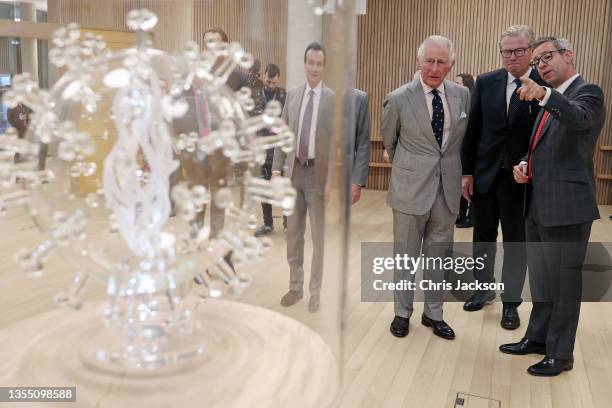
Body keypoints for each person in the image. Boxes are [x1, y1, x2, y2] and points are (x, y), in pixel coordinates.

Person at [500, 36, 605, 376]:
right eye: (538, 61)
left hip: (568, 208)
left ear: (568, 55)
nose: (541, 64)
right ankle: (538, 338)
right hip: (540, 205)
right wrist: (524, 165)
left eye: (547, 57)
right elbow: (544, 148)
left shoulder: (588, 93)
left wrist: (544, 94)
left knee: (564, 284)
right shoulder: (550, 101)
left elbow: (578, 120)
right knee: (543, 281)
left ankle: (561, 355)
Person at [381, 35, 470, 340]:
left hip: (446, 191)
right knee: (405, 256)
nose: (434, 67)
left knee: (438, 257)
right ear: (419, 62)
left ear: (451, 64)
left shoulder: (462, 96)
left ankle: (434, 314)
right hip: (409, 190)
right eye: (429, 60)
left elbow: (461, 141)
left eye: (441, 61)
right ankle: (402, 313)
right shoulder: (398, 98)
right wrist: (411, 168)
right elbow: (390, 143)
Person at [461, 26, 547, 330]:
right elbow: (474, 129)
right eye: (506, 51)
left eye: (518, 51)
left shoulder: (543, 85)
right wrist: (467, 172)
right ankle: (482, 289)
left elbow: (544, 136)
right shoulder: (486, 82)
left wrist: (528, 164)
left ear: (531, 51)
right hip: (485, 175)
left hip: (520, 179)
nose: (511, 57)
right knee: (482, 236)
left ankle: (511, 302)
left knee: (515, 242)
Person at [272, 42, 334, 313]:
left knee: (318, 237)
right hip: (294, 171)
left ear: (324, 66)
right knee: (294, 233)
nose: (315, 68)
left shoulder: (332, 99)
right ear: (305, 63)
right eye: (311, 62)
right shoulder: (294, 96)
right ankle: (295, 287)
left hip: (318, 176)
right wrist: (276, 170)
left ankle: (316, 291)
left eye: (319, 63)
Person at [254, 64, 287, 237]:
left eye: (273, 82)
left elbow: (288, 118)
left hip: (281, 148)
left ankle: (288, 223)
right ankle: (268, 223)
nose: (270, 84)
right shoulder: (257, 95)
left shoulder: (284, 95)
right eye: (268, 80)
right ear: (264, 77)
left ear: (279, 78)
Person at [453, 73, 474, 228]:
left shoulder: (472, 102)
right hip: (458, 149)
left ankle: (471, 217)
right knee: (459, 185)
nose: (456, 85)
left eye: (458, 83)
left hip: (470, 150)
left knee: (470, 185)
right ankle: (460, 214)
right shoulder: (456, 102)